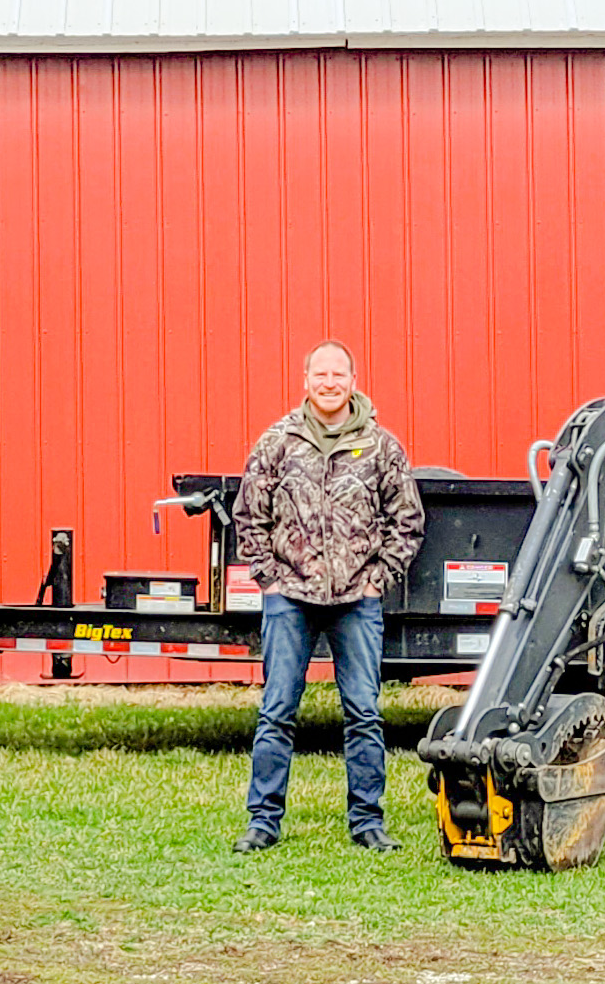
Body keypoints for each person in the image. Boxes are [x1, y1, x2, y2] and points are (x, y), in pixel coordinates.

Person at [227, 339, 425, 853]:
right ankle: (263, 821)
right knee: (277, 711)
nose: (330, 383)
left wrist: (379, 576)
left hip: (357, 598)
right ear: (306, 381)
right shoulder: (277, 441)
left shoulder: (382, 446)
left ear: (353, 381)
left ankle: (368, 822)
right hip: (289, 596)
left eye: (339, 374)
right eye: (321, 374)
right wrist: (269, 577)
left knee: (363, 712)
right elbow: (249, 515)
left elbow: (408, 521)